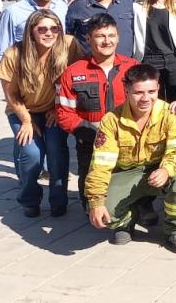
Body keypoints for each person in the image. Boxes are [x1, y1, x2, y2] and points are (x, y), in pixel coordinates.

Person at [85, 64, 176, 254]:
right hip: (128, 173)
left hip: (160, 169)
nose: (145, 98)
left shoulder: (171, 113)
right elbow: (100, 164)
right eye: (138, 92)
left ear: (158, 88)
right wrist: (96, 201)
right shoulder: (111, 120)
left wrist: (166, 170)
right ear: (126, 89)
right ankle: (126, 220)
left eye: (151, 91)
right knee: (103, 211)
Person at [0, 9, 82, 217]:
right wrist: (26, 120)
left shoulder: (69, 45)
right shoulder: (15, 54)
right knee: (31, 154)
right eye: (42, 29)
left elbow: (79, 77)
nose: (49, 33)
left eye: (54, 28)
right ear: (31, 31)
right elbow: (11, 94)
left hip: (55, 108)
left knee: (56, 151)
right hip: (23, 109)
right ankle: (29, 198)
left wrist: (57, 106)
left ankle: (58, 200)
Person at [56, 13, 140, 207]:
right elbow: (64, 112)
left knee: (132, 185)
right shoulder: (74, 72)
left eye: (111, 35)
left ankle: (140, 207)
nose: (107, 41)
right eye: (100, 36)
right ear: (89, 39)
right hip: (90, 142)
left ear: (118, 37)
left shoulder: (133, 67)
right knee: (92, 188)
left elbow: (149, 104)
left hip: (129, 140)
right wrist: (89, 131)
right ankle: (92, 205)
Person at [66, 0, 135, 57]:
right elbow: (68, 38)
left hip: (125, 66)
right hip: (89, 67)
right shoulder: (77, 7)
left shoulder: (128, 3)